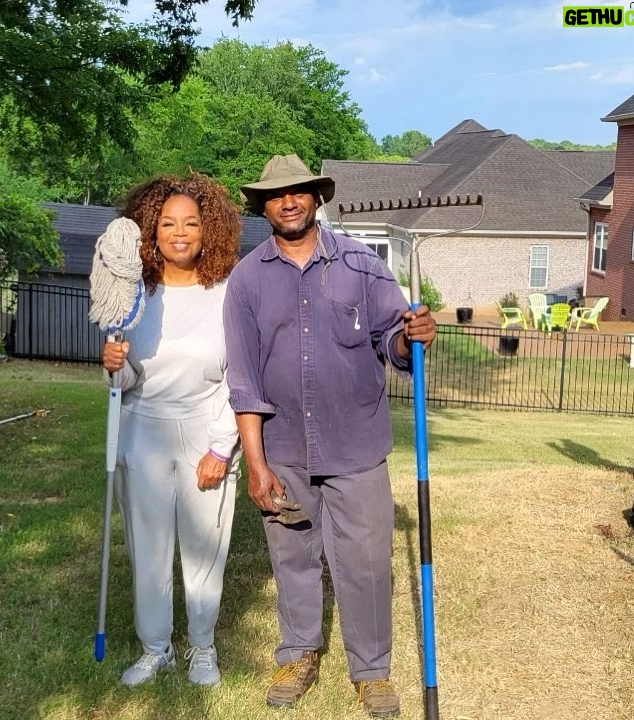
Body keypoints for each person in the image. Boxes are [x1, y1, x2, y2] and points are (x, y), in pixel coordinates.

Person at [223, 154, 436, 718]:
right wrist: (255, 461)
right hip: (283, 448)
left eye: (299, 192)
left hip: (356, 445)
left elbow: (394, 341)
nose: (288, 201)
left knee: (365, 560)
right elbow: (243, 379)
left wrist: (414, 336)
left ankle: (370, 671)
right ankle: (299, 653)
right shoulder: (246, 279)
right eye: (276, 195)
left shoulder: (364, 266)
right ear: (262, 206)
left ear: (317, 198)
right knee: (292, 553)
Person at [101, 173, 242, 688]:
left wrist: (220, 447)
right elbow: (130, 378)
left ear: (210, 232)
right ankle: (154, 648)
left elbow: (239, 377)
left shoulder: (229, 294)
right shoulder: (134, 297)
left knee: (206, 547)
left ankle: (201, 648)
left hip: (205, 429)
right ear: (150, 231)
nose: (179, 233)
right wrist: (114, 363)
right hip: (143, 432)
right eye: (167, 223)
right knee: (148, 546)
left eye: (191, 223)